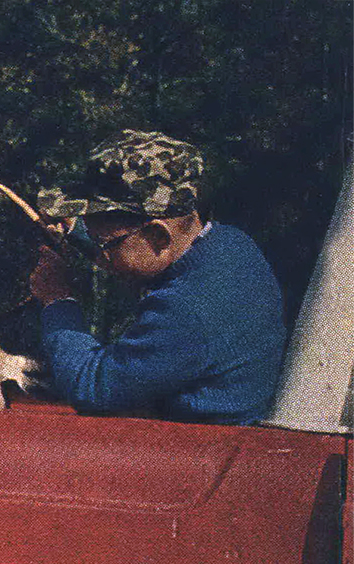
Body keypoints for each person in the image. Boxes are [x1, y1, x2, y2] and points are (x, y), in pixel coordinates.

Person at [27, 130, 288, 424]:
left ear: (158, 234)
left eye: (104, 243)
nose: (102, 253)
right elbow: (143, 258)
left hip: (198, 449)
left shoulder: (187, 310)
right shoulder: (230, 245)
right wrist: (78, 234)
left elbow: (93, 389)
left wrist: (57, 300)